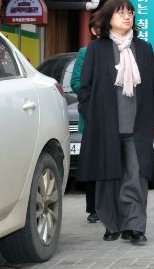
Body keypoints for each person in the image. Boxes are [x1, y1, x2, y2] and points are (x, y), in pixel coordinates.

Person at [77, 0, 154, 244]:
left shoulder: (144, 48)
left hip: (138, 122)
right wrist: (92, 114)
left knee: (136, 175)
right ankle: (112, 224)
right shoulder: (97, 48)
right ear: (109, 18)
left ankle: (134, 227)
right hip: (106, 123)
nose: (127, 16)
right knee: (107, 176)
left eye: (130, 12)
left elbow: (152, 88)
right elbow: (85, 87)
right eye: (121, 13)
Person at [70, 18, 100, 224]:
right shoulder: (85, 52)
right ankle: (94, 208)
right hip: (93, 116)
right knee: (94, 162)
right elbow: (76, 82)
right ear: (93, 30)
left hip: (118, 117)